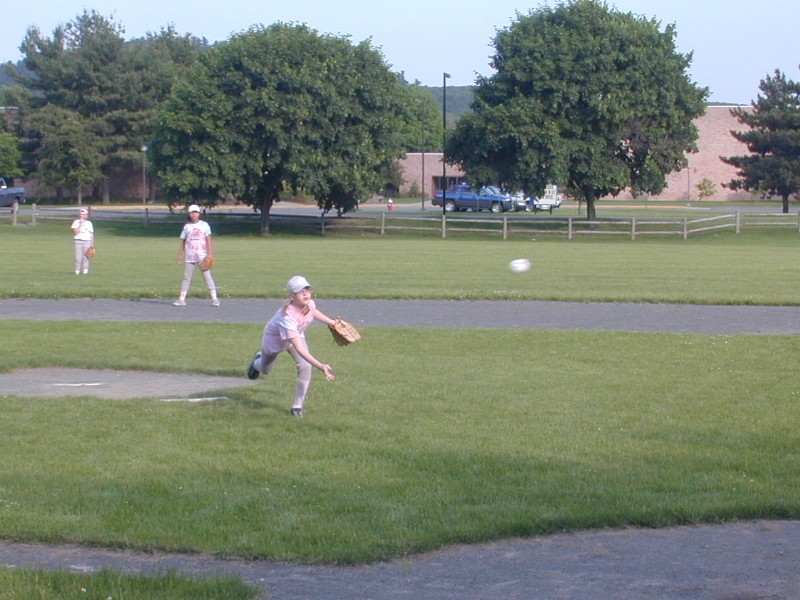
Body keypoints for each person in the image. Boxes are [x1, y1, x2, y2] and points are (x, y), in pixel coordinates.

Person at [247, 275, 337, 417]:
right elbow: (300, 349)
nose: (305, 293)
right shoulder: (287, 317)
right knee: (265, 369)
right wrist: (321, 366)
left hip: (295, 335)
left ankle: (297, 407)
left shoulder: (309, 304)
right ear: (292, 296)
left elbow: (314, 312)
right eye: (300, 291)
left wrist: (332, 323)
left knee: (305, 366)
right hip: (275, 342)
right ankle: (256, 362)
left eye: (307, 289)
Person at [173, 204, 220, 307]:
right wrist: (180, 254)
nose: (193, 214)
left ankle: (215, 299)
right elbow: (184, 241)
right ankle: (181, 299)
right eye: (191, 212)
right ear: (189, 214)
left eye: (195, 212)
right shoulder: (187, 227)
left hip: (202, 256)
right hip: (190, 256)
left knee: (207, 277)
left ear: (199, 214)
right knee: (186, 278)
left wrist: (209, 254)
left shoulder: (204, 225)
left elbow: (208, 239)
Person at [70, 207, 94, 275]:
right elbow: (76, 232)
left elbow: (91, 233)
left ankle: (85, 271)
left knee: (86, 257)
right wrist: (80, 224)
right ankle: (77, 271)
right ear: (80, 215)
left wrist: (92, 243)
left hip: (87, 241)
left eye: (85, 215)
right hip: (78, 241)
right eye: (82, 214)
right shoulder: (76, 222)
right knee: (78, 258)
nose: (83, 216)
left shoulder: (89, 223)